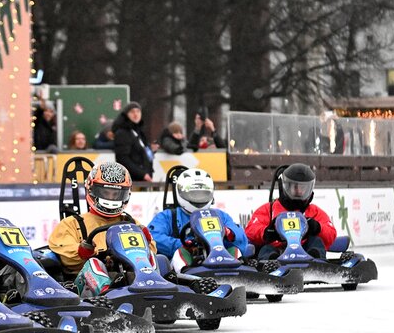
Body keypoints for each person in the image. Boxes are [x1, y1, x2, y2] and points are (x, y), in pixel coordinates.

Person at [48, 161, 157, 296]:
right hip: (86, 288)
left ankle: (156, 288)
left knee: (160, 259)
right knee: (94, 263)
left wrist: (146, 241)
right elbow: (65, 255)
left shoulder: (130, 222)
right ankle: (108, 294)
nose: (110, 198)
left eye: (115, 194)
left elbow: (150, 253)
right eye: (105, 192)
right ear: (92, 189)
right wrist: (82, 251)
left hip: (128, 278)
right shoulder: (73, 223)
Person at [148, 169, 248, 271]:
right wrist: (185, 244)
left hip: (219, 258)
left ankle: (238, 275)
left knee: (234, 250)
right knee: (180, 252)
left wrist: (228, 233)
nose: (198, 198)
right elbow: (153, 237)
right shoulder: (168, 216)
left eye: (202, 193)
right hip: (188, 265)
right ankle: (189, 276)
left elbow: (242, 239)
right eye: (194, 194)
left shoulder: (220, 215)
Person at [245, 163, 337, 260]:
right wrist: (267, 232)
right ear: (285, 186)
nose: (299, 191)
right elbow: (250, 230)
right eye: (295, 187)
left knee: (316, 241)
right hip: (276, 251)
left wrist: (318, 228)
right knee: (266, 249)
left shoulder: (314, 212)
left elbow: (331, 234)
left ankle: (317, 265)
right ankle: (272, 266)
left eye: (303, 188)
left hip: (304, 252)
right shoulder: (269, 209)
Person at [113, 102, 153, 182]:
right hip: (130, 180)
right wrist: (142, 174)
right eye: (132, 112)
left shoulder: (140, 132)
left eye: (138, 111)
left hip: (143, 178)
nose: (136, 114)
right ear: (126, 115)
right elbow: (123, 159)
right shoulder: (122, 133)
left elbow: (142, 153)